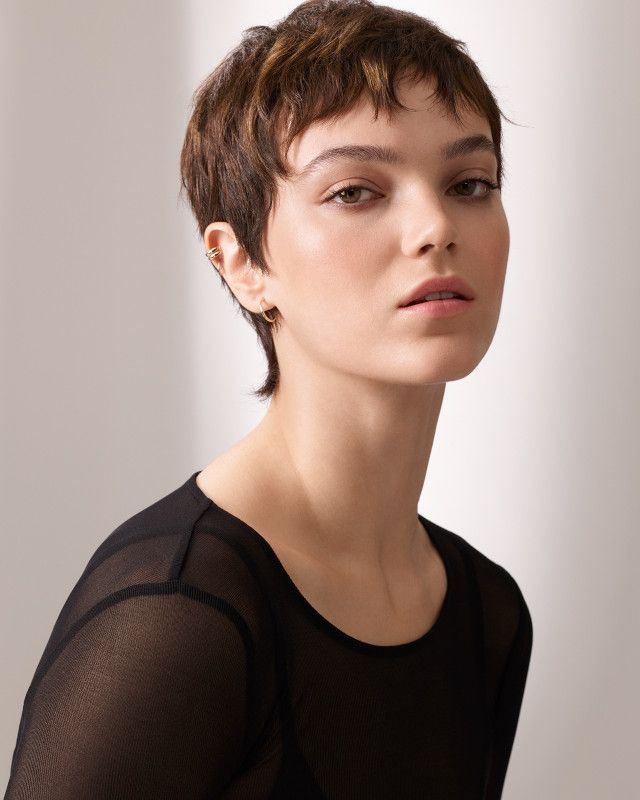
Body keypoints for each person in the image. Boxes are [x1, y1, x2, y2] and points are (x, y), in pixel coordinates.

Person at [3, 1, 533, 797]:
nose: (434, 226)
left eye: (470, 183)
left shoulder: (488, 613)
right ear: (242, 263)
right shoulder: (179, 614)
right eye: (355, 191)